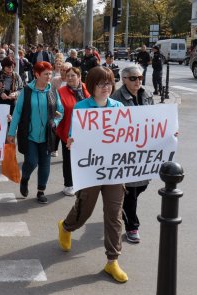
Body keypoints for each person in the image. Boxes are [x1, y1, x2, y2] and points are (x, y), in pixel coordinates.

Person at [58, 66, 128, 283]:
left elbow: (133, 134)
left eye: (109, 83)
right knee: (85, 209)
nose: (106, 87)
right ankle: (67, 226)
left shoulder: (119, 107)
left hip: (114, 169)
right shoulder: (82, 108)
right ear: (92, 85)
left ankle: (112, 260)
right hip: (91, 169)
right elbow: (73, 134)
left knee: (114, 213)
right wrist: (71, 141)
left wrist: (166, 132)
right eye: (101, 83)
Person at [7, 61, 64, 204]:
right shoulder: (26, 91)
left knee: (45, 163)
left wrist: (55, 122)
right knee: (31, 162)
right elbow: (18, 112)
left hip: (47, 135)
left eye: (50, 73)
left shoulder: (52, 91)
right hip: (29, 135)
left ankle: (41, 191)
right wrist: (11, 133)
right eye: (46, 74)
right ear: (36, 74)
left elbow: (60, 111)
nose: (49, 76)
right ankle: (25, 179)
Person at [111, 64, 154, 244]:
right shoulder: (116, 98)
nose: (138, 82)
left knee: (141, 186)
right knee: (131, 191)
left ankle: (124, 210)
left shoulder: (147, 94)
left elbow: (155, 118)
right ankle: (132, 227)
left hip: (143, 150)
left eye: (140, 78)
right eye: (134, 78)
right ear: (124, 79)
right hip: (125, 151)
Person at [56, 67, 90, 196]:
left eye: (73, 75)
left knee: (85, 158)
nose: (70, 78)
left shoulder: (88, 89)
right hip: (67, 131)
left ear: (79, 77)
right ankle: (69, 184)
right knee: (69, 159)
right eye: (68, 75)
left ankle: (82, 182)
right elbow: (58, 111)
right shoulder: (61, 91)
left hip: (87, 132)